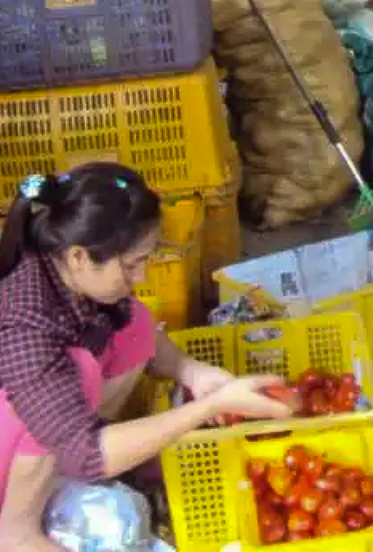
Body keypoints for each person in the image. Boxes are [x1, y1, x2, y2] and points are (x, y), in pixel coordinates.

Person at [0, 163, 291, 550]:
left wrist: (193, 372)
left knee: (133, 320)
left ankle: (65, 472)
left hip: (57, 434)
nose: (141, 277)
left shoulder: (67, 277)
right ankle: (16, 530)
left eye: (146, 258)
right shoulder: (25, 326)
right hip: (31, 458)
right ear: (79, 257)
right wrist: (207, 408)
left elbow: (142, 333)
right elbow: (88, 454)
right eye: (132, 264)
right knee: (80, 370)